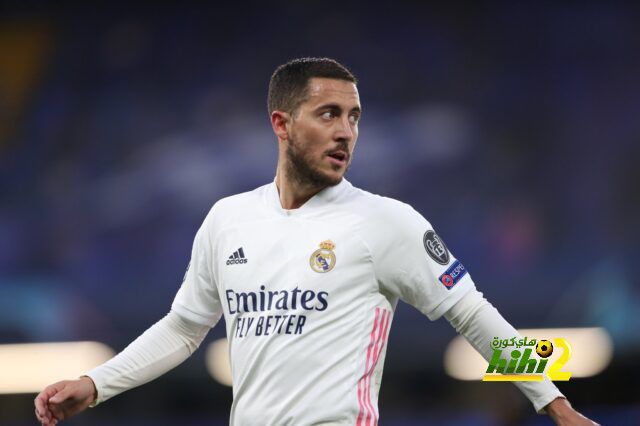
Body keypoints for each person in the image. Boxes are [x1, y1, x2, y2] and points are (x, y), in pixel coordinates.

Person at [35, 58, 598, 426]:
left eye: (354, 117)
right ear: (281, 124)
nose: (345, 131)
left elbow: (473, 313)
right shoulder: (228, 219)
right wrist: (95, 383)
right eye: (329, 114)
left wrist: (553, 400)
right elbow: (183, 329)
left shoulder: (387, 222)